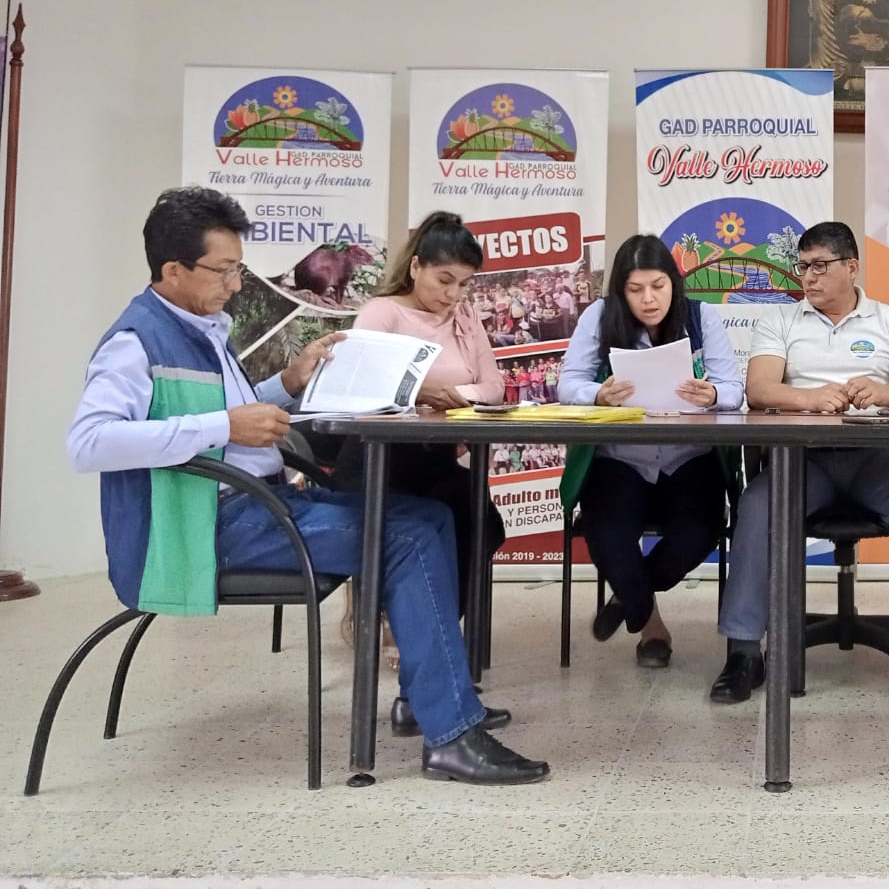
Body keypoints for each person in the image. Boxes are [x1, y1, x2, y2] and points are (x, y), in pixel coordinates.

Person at [67, 187, 547, 785]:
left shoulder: (202, 328)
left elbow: (232, 411)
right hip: (207, 526)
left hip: (257, 502)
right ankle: (451, 735)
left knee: (433, 517)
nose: (236, 284)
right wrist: (223, 426)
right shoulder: (135, 342)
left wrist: (288, 384)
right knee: (411, 537)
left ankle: (435, 700)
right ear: (173, 270)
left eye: (238, 269)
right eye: (224, 270)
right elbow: (89, 442)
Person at [710, 221, 889, 708]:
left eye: (820, 266)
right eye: (803, 266)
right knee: (757, 505)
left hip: (877, 460)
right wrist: (809, 399)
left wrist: (882, 392)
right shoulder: (780, 321)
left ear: (851, 267)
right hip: (803, 461)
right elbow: (759, 390)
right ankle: (743, 653)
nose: (808, 276)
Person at [332, 213, 508, 735]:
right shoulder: (383, 313)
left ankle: (422, 679)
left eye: (464, 284)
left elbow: (493, 387)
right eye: (444, 280)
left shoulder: (464, 318)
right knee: (431, 537)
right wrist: (420, 394)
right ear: (415, 268)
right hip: (379, 464)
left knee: (482, 526)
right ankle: (424, 688)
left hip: (434, 459)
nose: (453, 294)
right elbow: (360, 383)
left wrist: (451, 396)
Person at [557, 234, 744, 668]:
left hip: (689, 458)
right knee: (607, 533)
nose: (648, 299)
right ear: (620, 290)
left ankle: (628, 597)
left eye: (658, 286)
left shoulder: (701, 316)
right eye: (635, 289)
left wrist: (713, 394)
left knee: (697, 534)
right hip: (620, 458)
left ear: (673, 283)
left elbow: (734, 389)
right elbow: (568, 385)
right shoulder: (599, 316)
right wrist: (597, 395)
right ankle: (651, 626)